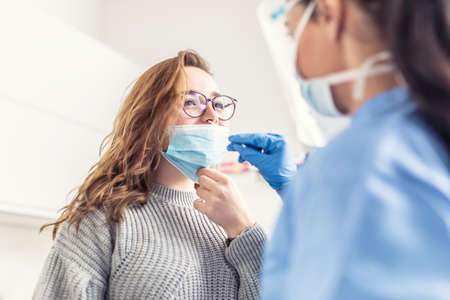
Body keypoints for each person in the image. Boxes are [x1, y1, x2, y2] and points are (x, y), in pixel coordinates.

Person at [227, 0, 450, 299]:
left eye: (292, 35)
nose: (296, 65)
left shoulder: (358, 165)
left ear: (331, 14)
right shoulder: (419, 134)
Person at [33, 50, 266, 300]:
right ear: (150, 118)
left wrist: (244, 230)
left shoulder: (232, 219)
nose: (212, 116)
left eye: (218, 104)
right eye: (191, 102)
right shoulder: (104, 220)